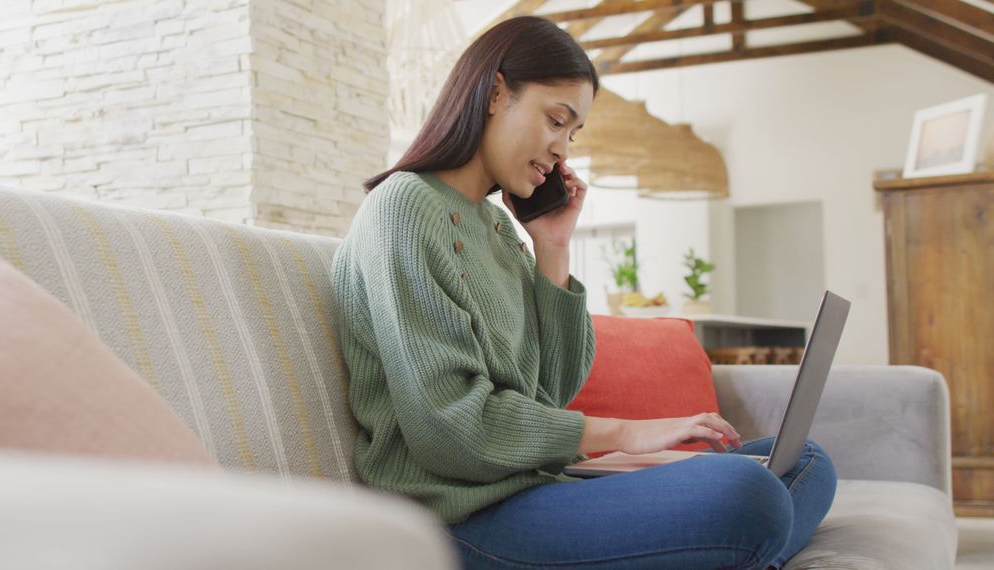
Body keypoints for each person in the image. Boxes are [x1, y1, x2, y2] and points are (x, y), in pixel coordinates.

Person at [330, 15, 836, 570]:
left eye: (573, 133)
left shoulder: (498, 229)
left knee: (806, 463)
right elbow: (452, 430)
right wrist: (628, 434)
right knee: (754, 495)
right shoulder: (404, 209)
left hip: (533, 488)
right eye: (556, 120)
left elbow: (550, 391)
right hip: (460, 519)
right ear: (497, 92)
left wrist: (552, 246)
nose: (562, 152)